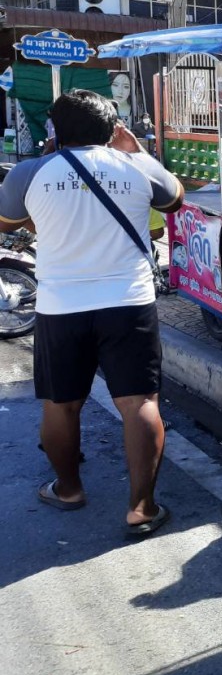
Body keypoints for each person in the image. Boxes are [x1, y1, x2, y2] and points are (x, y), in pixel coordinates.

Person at [0, 90, 184, 536]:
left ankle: (68, 489)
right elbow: (175, 199)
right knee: (138, 402)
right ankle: (142, 508)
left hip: (61, 305)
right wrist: (137, 151)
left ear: (56, 131)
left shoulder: (31, 171)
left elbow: (6, 222)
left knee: (61, 404)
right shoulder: (137, 167)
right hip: (128, 302)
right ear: (114, 129)